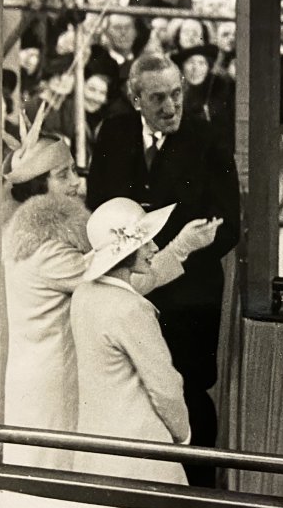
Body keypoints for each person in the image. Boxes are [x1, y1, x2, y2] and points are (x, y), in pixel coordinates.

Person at [1, 113, 219, 468]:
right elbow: (123, 282)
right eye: (63, 175)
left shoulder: (37, 241)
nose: (76, 182)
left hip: (53, 375)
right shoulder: (48, 252)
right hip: (53, 382)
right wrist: (179, 247)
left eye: (73, 170)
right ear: (39, 188)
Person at [86, 53, 241, 486]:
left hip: (192, 296)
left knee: (189, 389)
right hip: (126, 290)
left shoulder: (208, 139)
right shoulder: (114, 133)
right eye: (158, 98)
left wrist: (180, 250)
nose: (171, 107)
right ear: (135, 98)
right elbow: (98, 205)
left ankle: (198, 489)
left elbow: (230, 225)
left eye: (177, 94)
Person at [70, 198, 193, 484]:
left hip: (95, 450)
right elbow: (165, 387)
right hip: (139, 453)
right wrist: (183, 435)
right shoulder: (132, 309)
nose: (155, 248)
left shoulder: (83, 295)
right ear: (125, 251)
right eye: (146, 241)